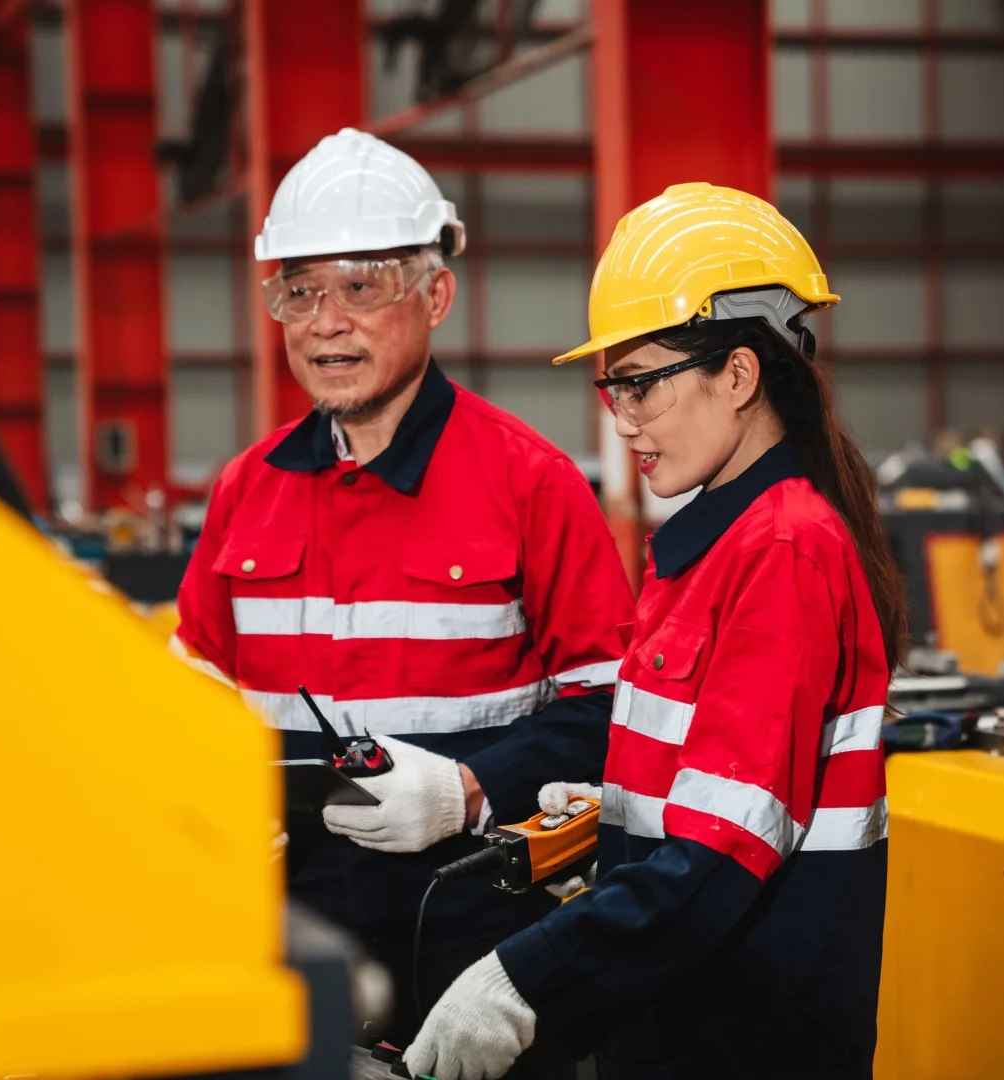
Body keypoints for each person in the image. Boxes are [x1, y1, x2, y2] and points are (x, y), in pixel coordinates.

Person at [404, 182, 907, 1079]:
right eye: (612, 387)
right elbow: (724, 789)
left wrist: (524, 980)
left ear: (740, 375)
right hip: (681, 1019)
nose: (621, 417)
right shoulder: (710, 549)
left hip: (749, 1041)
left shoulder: (783, 550)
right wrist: (620, 817)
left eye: (641, 383)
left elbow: (722, 853)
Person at [170, 128, 634, 1062]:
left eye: (360, 283)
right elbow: (190, 695)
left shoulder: (530, 484)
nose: (325, 321)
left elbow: (612, 707)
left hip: (469, 940)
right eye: (299, 291)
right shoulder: (243, 491)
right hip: (284, 938)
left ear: (435, 294)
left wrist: (469, 790)